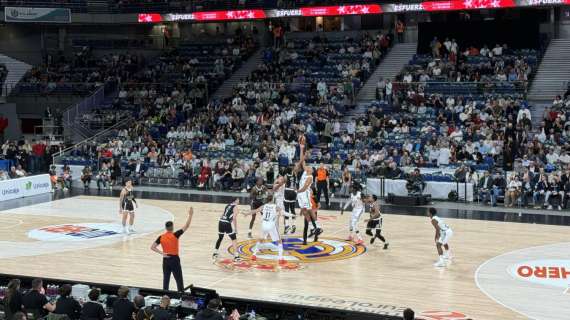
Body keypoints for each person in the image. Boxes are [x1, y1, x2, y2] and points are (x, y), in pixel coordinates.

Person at [151, 207, 194, 292]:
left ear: (166, 228)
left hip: (165, 259)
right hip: (174, 259)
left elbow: (152, 247)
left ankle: (164, 295)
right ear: (172, 227)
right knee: (179, 280)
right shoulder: (175, 235)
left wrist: (162, 253)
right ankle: (180, 296)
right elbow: (187, 226)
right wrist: (190, 214)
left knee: (166, 280)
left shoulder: (161, 237)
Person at [244, 194, 290, 264]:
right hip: (271, 225)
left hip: (264, 224)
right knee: (279, 241)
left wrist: (247, 213)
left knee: (261, 239)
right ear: (272, 199)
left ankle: (254, 255)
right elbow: (284, 213)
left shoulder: (264, 206)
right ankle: (280, 258)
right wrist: (292, 215)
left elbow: (255, 211)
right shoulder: (275, 206)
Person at [296, 137, 322, 245]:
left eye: (311, 168)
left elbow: (306, 188)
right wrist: (301, 148)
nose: (308, 167)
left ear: (312, 171)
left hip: (304, 193)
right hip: (301, 195)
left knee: (310, 210)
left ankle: (317, 227)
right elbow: (302, 161)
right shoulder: (305, 171)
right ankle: (313, 228)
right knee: (305, 210)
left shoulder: (310, 177)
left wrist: (297, 191)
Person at [283, 167, 297, 234]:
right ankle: (294, 225)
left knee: (286, 209)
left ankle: (287, 226)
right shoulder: (294, 174)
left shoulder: (286, 176)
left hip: (288, 191)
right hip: (294, 192)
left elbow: (284, 182)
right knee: (292, 209)